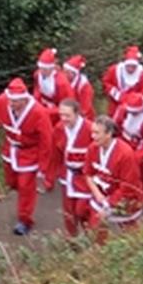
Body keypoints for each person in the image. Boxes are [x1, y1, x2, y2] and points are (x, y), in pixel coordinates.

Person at [0, 78, 54, 235]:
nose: (11, 104)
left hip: (30, 153)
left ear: (25, 99)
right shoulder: (2, 101)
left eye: (15, 102)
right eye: (10, 100)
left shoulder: (38, 113)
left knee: (26, 186)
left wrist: (43, 167)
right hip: (10, 150)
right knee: (12, 182)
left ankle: (25, 220)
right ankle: (24, 197)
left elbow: (47, 141)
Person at [83, 116, 143, 245]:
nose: (93, 136)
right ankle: (99, 253)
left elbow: (128, 186)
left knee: (130, 232)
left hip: (125, 198)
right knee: (95, 228)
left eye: (97, 133)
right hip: (103, 195)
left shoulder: (125, 154)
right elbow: (88, 174)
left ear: (109, 134)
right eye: (92, 132)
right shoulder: (92, 149)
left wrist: (109, 204)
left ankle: (138, 253)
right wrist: (98, 194)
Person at [50, 98, 93, 237]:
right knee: (69, 211)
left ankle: (90, 236)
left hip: (85, 177)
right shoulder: (59, 128)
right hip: (67, 176)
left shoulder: (90, 128)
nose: (63, 118)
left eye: (67, 115)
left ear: (77, 113)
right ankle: (72, 238)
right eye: (61, 115)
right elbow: (55, 153)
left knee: (83, 210)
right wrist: (50, 175)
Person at [112, 92, 143, 204]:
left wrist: (136, 158)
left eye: (135, 112)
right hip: (127, 144)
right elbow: (115, 127)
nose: (133, 114)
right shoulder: (123, 111)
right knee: (123, 173)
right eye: (131, 112)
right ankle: (127, 196)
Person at [101, 46, 143, 118]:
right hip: (116, 106)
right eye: (128, 66)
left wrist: (136, 100)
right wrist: (116, 94)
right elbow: (106, 83)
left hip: (135, 110)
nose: (130, 69)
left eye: (133, 67)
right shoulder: (114, 70)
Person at [31, 47, 71, 121]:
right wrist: (35, 104)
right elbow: (37, 90)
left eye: (45, 69)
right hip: (43, 106)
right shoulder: (37, 74)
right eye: (41, 68)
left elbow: (67, 104)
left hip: (57, 111)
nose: (42, 71)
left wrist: (49, 111)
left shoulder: (61, 83)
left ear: (52, 68)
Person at [61, 54, 96, 121]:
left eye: (67, 72)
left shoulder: (84, 86)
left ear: (74, 73)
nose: (64, 74)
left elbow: (85, 108)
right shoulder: (65, 80)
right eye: (64, 71)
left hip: (83, 117)